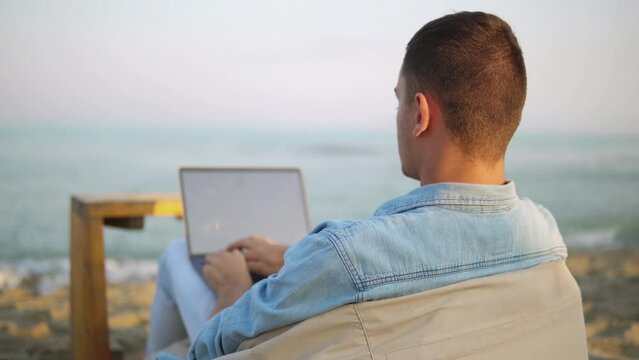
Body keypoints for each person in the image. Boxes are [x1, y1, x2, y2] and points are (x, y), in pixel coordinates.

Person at [149, 11, 587, 359]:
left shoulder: (344, 255)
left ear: (420, 114)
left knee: (174, 260)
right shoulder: (543, 237)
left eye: (398, 100)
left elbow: (209, 347)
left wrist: (232, 288)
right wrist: (295, 259)